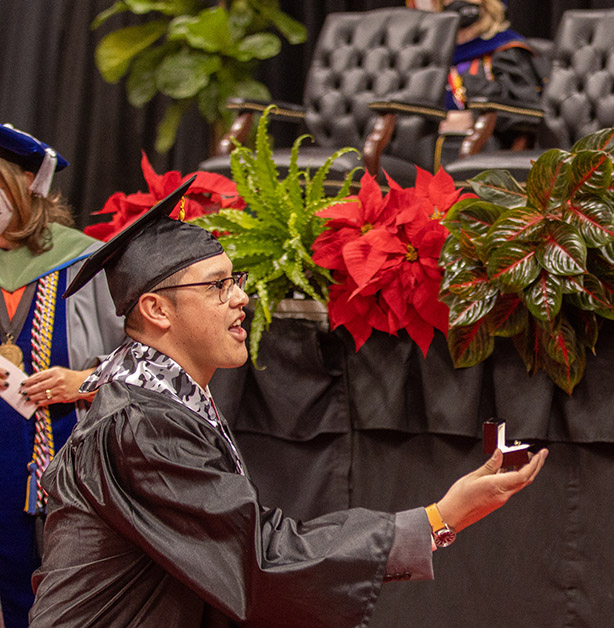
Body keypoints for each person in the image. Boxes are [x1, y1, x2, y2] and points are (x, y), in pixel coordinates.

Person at [28, 178, 548, 627]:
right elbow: (259, 556)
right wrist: (438, 518)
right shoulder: (141, 426)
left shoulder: (157, 399)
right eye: (217, 286)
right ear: (156, 309)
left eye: (236, 280)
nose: (241, 298)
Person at [0, 124, 125, 628]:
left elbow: (147, 358)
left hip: (60, 469)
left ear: (26, 188)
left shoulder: (85, 261)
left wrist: (84, 382)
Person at [442, 0, 543, 146]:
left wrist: (476, 118)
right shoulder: (432, 52)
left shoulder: (506, 49)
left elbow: (527, 112)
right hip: (430, 142)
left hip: (484, 146)